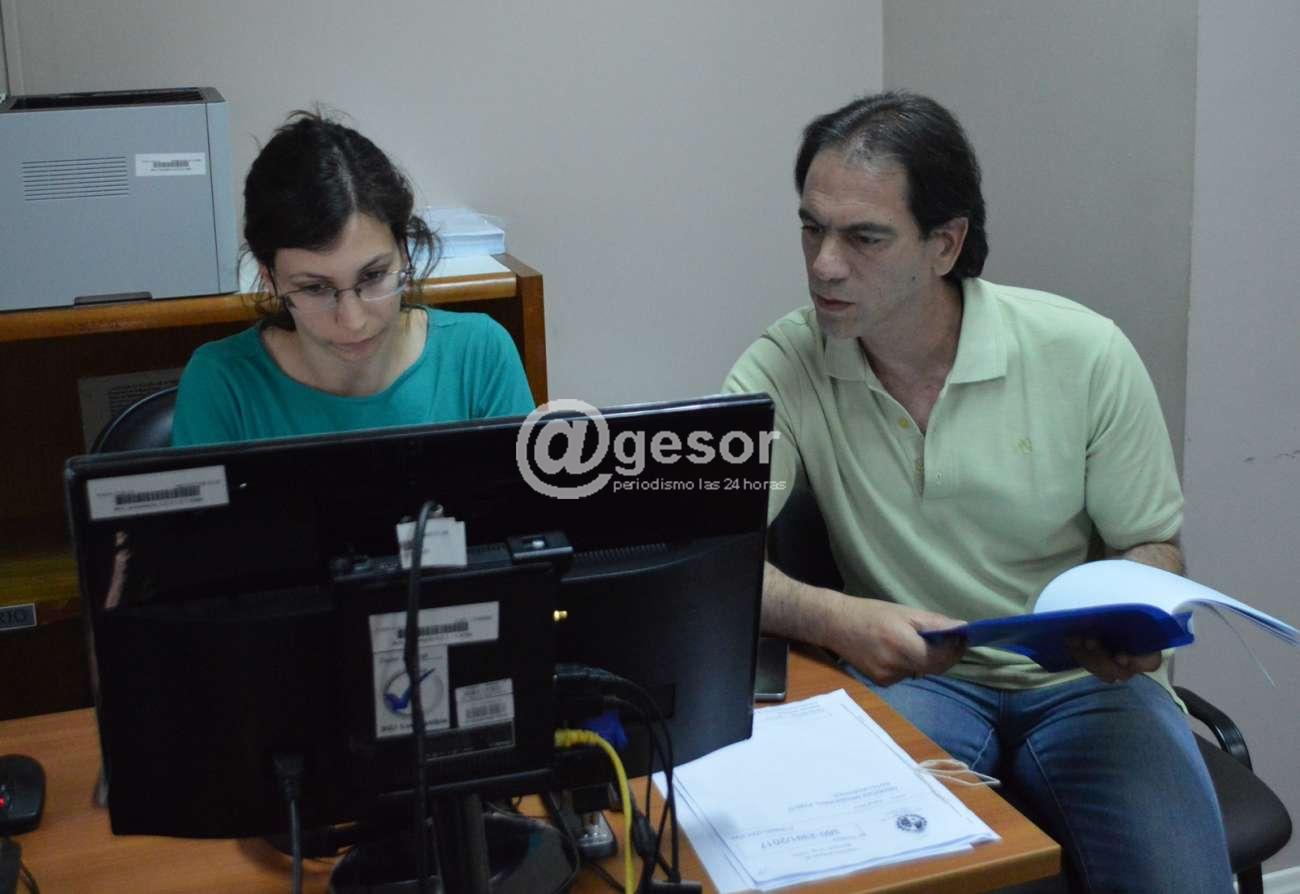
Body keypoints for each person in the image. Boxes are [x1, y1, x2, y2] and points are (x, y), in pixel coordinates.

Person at [724, 91, 1232, 893]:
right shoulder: (787, 363)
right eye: (812, 228)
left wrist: (1137, 610)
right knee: (847, 876)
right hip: (919, 681)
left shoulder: (1083, 353)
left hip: (1085, 687)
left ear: (945, 244)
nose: (824, 264)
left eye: (863, 237)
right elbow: (708, 559)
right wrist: (837, 619)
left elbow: (1153, 544)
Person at [171, 111, 534, 446]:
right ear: (270, 278)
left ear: (404, 252)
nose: (353, 321)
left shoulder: (478, 355)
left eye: (373, 276)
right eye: (315, 288)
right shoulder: (220, 383)